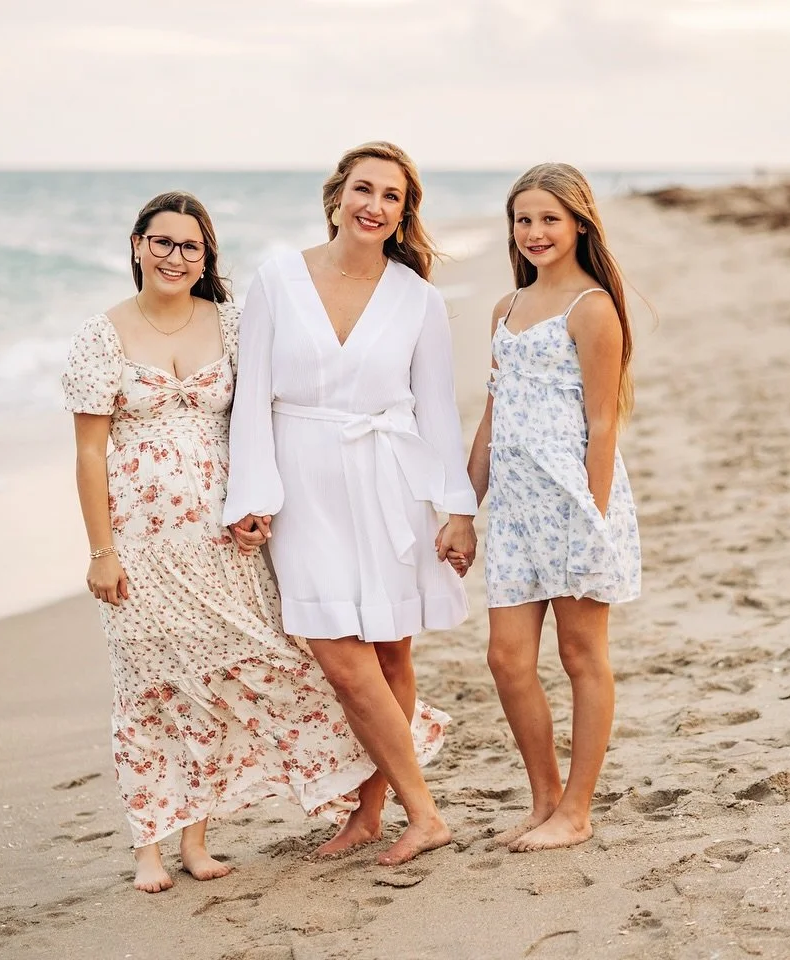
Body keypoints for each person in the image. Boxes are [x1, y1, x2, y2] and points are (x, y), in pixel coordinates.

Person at [63, 192, 429, 893]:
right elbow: (88, 454)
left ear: (206, 257)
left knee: (229, 680)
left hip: (228, 540)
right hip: (142, 545)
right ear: (137, 245)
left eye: (190, 246)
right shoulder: (100, 336)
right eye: (162, 242)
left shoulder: (232, 322)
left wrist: (260, 500)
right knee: (149, 687)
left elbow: (265, 414)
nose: (175, 257)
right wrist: (101, 551)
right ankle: (149, 845)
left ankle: (199, 840)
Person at [224, 142, 478, 866]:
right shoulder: (277, 279)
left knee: (392, 651)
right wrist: (252, 493)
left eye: (392, 196)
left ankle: (372, 813)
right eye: (364, 189)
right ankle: (424, 812)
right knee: (341, 658)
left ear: (404, 213)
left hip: (387, 482)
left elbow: (436, 410)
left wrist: (456, 509)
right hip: (302, 490)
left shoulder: (419, 299)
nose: (374, 205)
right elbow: (251, 397)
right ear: (337, 196)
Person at [462, 163, 642, 852]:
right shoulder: (505, 309)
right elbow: (492, 416)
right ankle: (543, 799)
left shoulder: (591, 308)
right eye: (523, 219)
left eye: (549, 219)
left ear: (578, 224)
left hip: (572, 504)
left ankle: (577, 809)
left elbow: (603, 423)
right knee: (507, 659)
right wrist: (463, 508)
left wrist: (592, 518)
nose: (534, 232)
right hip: (513, 510)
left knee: (580, 653)